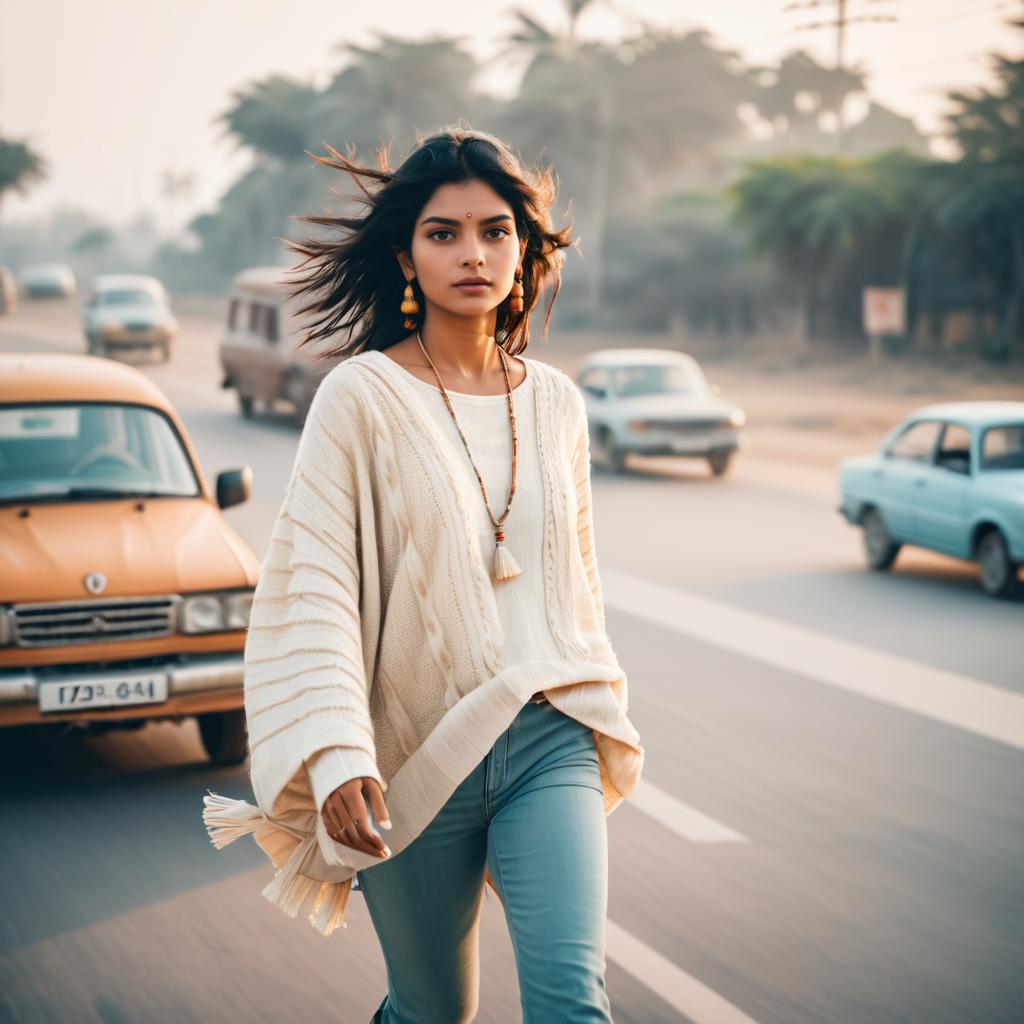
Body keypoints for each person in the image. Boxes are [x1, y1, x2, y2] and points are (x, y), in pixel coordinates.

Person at [202, 124, 645, 1024]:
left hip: (549, 730)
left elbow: (577, 578)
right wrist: (336, 750)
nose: (472, 253)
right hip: (411, 758)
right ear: (407, 253)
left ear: (524, 253)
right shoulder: (359, 396)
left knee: (573, 1005)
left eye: (494, 231)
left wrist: (597, 688)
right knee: (433, 1012)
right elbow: (318, 586)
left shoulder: (558, 403)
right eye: (443, 233)